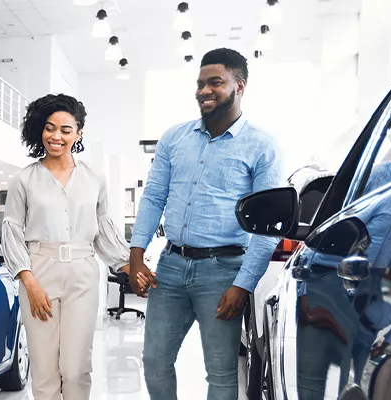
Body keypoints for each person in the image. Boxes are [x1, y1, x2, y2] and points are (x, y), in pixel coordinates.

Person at [125, 48, 284, 400]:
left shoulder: (262, 145)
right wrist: (136, 255)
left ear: (239, 85)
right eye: (200, 84)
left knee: (222, 372)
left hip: (224, 270)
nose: (204, 91)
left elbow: (267, 225)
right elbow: (153, 198)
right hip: (170, 266)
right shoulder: (174, 138)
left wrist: (243, 284)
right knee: (154, 361)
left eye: (215, 82)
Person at [0, 94, 135, 400]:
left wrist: (129, 266)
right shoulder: (24, 179)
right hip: (39, 272)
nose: (56, 136)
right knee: (45, 372)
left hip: (83, 273)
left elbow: (102, 230)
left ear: (78, 133)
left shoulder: (94, 179)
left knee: (75, 370)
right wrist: (29, 282)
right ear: (40, 130)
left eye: (65, 129)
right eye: (49, 128)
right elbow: (11, 230)